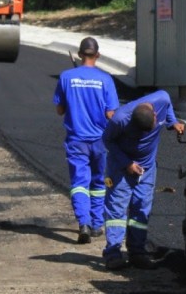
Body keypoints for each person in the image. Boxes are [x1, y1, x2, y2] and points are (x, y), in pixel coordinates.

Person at [102, 91, 184, 270]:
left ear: (155, 114)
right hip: (121, 169)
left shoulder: (162, 99)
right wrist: (127, 163)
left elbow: (169, 107)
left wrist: (172, 122)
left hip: (147, 169)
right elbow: (107, 140)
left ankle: (137, 252)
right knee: (117, 210)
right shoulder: (120, 119)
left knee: (141, 209)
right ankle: (113, 254)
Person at [53, 37, 120, 244]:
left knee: (79, 183)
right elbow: (111, 113)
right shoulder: (106, 79)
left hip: (76, 140)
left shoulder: (66, 77)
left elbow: (59, 110)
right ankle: (97, 224)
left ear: (81, 54)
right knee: (98, 182)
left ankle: (83, 223)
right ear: (97, 55)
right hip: (100, 140)